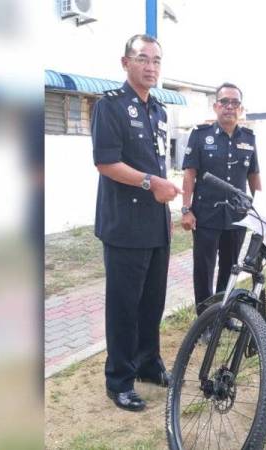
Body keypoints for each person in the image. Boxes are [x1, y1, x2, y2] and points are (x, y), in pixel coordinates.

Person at [92, 34, 182, 411]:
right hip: (124, 225)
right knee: (124, 307)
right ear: (125, 62)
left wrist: (162, 194)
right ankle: (120, 380)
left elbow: (156, 161)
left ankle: (148, 364)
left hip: (155, 226)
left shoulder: (159, 110)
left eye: (157, 60)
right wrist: (151, 183)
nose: (151, 67)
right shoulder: (109, 107)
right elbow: (106, 162)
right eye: (143, 59)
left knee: (151, 304)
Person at [181, 83, 261, 333]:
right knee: (204, 268)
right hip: (206, 215)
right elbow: (189, 175)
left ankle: (223, 315)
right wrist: (186, 209)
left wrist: (260, 210)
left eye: (234, 103)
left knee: (230, 268)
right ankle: (204, 321)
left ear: (241, 108)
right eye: (224, 102)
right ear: (215, 106)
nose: (229, 107)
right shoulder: (200, 135)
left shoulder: (249, 139)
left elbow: (254, 176)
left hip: (236, 218)